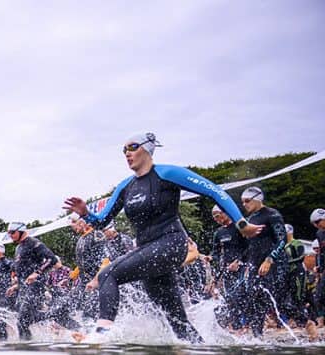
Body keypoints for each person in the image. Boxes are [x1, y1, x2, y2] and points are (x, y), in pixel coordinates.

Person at [63, 132, 244, 342]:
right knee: (177, 321)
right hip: (148, 251)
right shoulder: (126, 186)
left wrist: (241, 222)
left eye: (132, 147)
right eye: (124, 150)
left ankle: (101, 333)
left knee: (107, 275)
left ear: (147, 148)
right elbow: (102, 221)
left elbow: (214, 191)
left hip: (170, 243)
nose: (127, 154)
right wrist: (85, 213)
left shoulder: (166, 173)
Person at [237, 186, 287, 336]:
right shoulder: (250, 219)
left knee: (269, 299)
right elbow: (251, 245)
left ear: (257, 199)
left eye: (247, 201)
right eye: (242, 202)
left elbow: (282, 240)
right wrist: (243, 262)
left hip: (270, 265)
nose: (244, 204)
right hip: (254, 264)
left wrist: (269, 260)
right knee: (251, 298)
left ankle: (308, 326)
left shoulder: (272, 215)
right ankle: (257, 336)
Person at [6, 222, 58, 340]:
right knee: (24, 321)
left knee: (21, 321)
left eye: (12, 232)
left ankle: (25, 348)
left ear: (21, 231)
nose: (10, 235)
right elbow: (22, 272)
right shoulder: (19, 247)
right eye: (9, 233)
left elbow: (52, 259)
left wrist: (37, 273)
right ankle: (55, 314)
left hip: (35, 286)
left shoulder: (34, 243)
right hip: (24, 288)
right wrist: (16, 286)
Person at [209, 204, 246, 329]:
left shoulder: (238, 227)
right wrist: (210, 258)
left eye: (218, 216)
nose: (216, 219)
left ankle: (243, 325)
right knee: (228, 298)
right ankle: (235, 327)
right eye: (214, 218)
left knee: (238, 295)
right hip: (227, 269)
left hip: (242, 267)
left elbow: (249, 247)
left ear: (225, 213)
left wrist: (239, 261)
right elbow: (216, 253)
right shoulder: (218, 233)